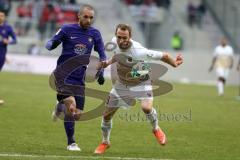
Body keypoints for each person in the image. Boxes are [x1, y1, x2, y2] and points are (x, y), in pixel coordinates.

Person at [94, 24, 183, 154]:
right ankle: (105, 142)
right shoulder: (115, 42)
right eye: (119, 37)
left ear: (130, 37)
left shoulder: (139, 51)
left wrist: (174, 63)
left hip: (141, 81)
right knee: (106, 115)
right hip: (122, 84)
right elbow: (116, 55)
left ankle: (156, 128)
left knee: (146, 108)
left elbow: (164, 56)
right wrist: (107, 63)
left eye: (125, 38)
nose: (121, 41)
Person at [45, 4, 106, 151]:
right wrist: (51, 44)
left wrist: (102, 71)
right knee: (71, 108)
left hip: (79, 77)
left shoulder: (95, 34)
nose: (89, 20)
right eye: (86, 17)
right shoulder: (67, 29)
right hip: (63, 75)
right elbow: (53, 40)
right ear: (78, 16)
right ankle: (71, 143)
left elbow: (102, 54)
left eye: (91, 17)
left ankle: (59, 104)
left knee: (77, 115)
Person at [0, 10, 17, 105]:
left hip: (1, 56)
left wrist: (8, 42)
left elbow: (15, 40)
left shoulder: (8, 28)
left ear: (4, 17)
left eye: (2, 16)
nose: (0, 17)